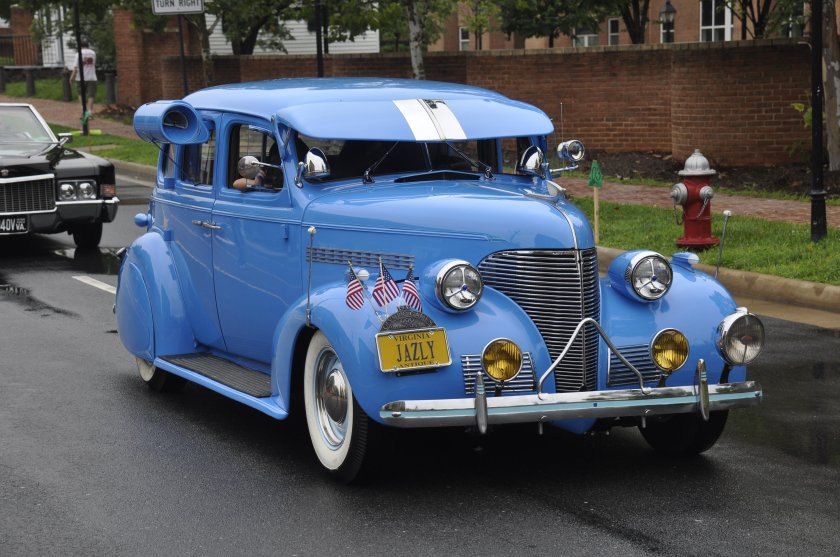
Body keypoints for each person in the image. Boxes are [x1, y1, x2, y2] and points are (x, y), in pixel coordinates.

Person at [69, 40, 97, 115]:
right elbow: (94, 64)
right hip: (92, 77)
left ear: (80, 46)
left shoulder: (78, 54)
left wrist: (72, 78)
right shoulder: (93, 53)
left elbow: (75, 67)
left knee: (81, 94)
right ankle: (90, 111)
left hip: (80, 78)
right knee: (91, 95)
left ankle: (83, 109)